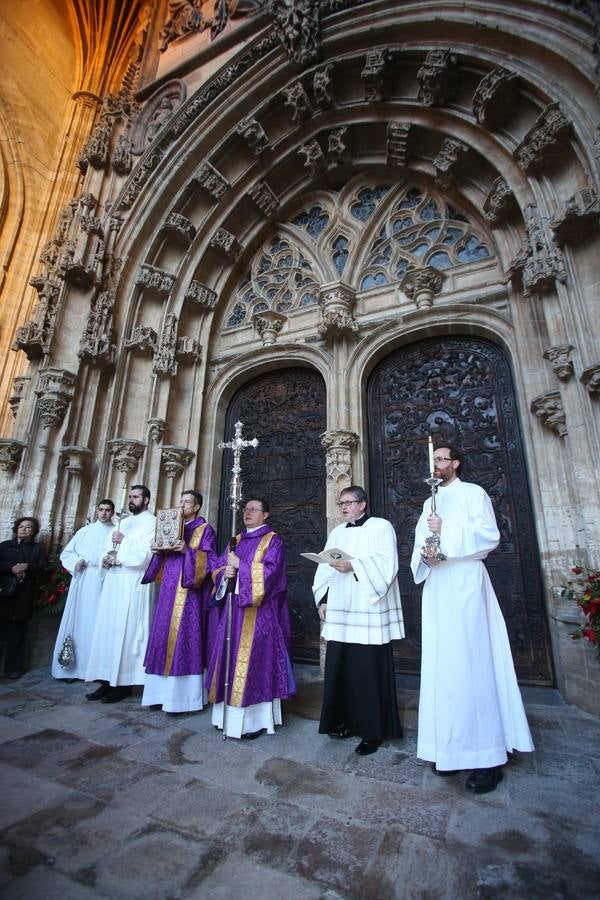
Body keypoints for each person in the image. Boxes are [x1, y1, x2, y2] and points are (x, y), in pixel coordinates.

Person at [411, 444, 534, 794]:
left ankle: (488, 757)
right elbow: (422, 543)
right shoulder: (427, 503)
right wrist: (427, 550)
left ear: (456, 463)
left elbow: (488, 536)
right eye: (433, 460)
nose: (436, 465)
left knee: (472, 663)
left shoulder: (473, 493)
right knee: (444, 666)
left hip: (465, 582)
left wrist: (445, 529)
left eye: (442, 459)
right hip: (439, 585)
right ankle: (449, 750)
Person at [313, 486, 405, 756]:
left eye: (348, 502)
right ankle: (342, 721)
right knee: (341, 668)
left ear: (362, 504)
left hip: (368, 612)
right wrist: (323, 599)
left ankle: (373, 731)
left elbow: (388, 564)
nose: (343, 507)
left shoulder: (381, 526)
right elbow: (324, 567)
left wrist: (355, 566)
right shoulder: (337, 532)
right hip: (341, 610)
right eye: (341, 503)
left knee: (367, 672)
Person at [207, 497, 296, 739]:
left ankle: (252, 722)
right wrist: (224, 574)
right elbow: (216, 567)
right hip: (233, 610)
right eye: (246, 509)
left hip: (259, 614)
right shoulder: (235, 540)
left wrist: (241, 565)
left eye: (254, 509)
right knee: (229, 659)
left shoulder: (273, 540)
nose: (248, 512)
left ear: (265, 515)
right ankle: (225, 717)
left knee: (253, 662)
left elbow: (272, 574)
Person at [141, 489, 218, 713]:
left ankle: (182, 699)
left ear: (196, 507)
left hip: (189, 593)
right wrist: (157, 550)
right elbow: (161, 561)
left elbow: (211, 561)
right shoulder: (172, 525)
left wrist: (187, 551)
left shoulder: (205, 529)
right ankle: (158, 694)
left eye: (186, 502)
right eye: (180, 501)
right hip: (168, 590)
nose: (181, 505)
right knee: (162, 634)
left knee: (184, 636)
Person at [85, 485, 156, 703]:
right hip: (114, 581)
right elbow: (107, 547)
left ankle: (123, 684)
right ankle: (105, 681)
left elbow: (145, 555)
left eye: (135, 497)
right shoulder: (122, 521)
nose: (131, 500)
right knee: (107, 632)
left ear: (146, 500)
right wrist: (105, 558)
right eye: (130, 497)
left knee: (126, 633)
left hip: (132, 582)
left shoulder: (151, 522)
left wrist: (124, 541)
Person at [51, 500, 115, 682]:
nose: (104, 513)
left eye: (108, 510)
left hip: (104, 581)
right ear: (97, 510)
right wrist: (76, 562)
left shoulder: (116, 532)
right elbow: (67, 553)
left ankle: (94, 668)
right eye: (101, 509)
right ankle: (72, 667)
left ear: (112, 512)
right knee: (79, 621)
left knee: (99, 623)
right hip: (84, 579)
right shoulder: (84, 531)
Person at [0, 517, 49, 679]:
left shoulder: (37, 549)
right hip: (4, 591)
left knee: (18, 630)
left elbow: (44, 566)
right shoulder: (6, 546)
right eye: (21, 526)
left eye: (28, 527)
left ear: (34, 531)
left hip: (24, 594)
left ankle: (13, 668)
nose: (24, 529)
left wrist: (27, 566)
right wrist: (11, 568)